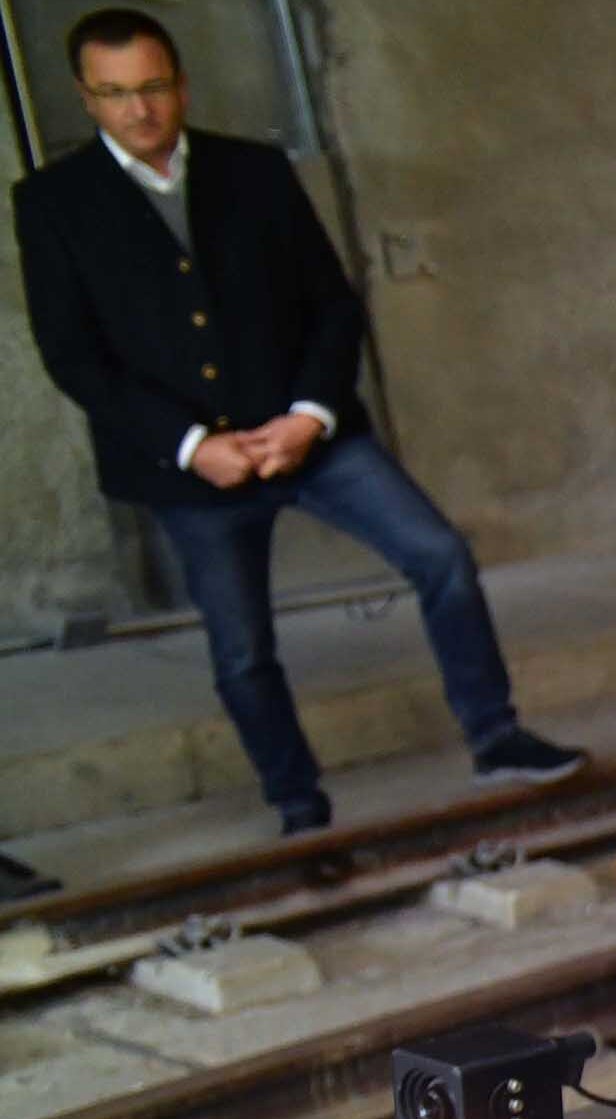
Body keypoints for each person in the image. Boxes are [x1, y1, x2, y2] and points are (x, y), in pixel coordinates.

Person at [14, 7, 580, 837]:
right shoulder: (52, 202)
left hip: (311, 438)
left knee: (441, 556)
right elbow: (74, 356)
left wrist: (310, 416)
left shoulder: (253, 170)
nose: (141, 111)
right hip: (190, 469)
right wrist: (190, 446)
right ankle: (298, 801)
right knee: (241, 650)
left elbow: (331, 304)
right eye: (116, 93)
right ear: (84, 98)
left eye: (155, 87)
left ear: (182, 82)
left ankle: (496, 735)